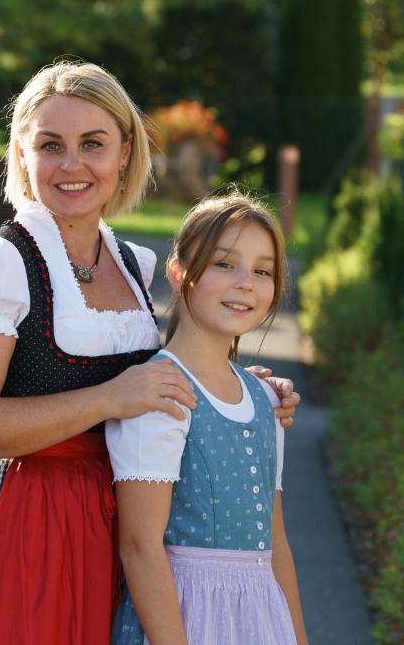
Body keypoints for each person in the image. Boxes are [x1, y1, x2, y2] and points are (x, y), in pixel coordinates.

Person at [0, 61, 300, 644]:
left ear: (124, 152)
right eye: (51, 145)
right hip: (29, 519)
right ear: (22, 154)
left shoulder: (131, 265)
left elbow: (164, 378)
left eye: (93, 144)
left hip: (120, 519)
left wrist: (240, 390)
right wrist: (108, 398)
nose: (72, 165)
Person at [108, 190, 308, 645]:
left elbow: (276, 544)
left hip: (260, 621)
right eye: (224, 264)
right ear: (179, 273)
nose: (245, 283)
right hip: (184, 618)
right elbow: (140, 549)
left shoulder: (266, 398)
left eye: (263, 271)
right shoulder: (159, 392)